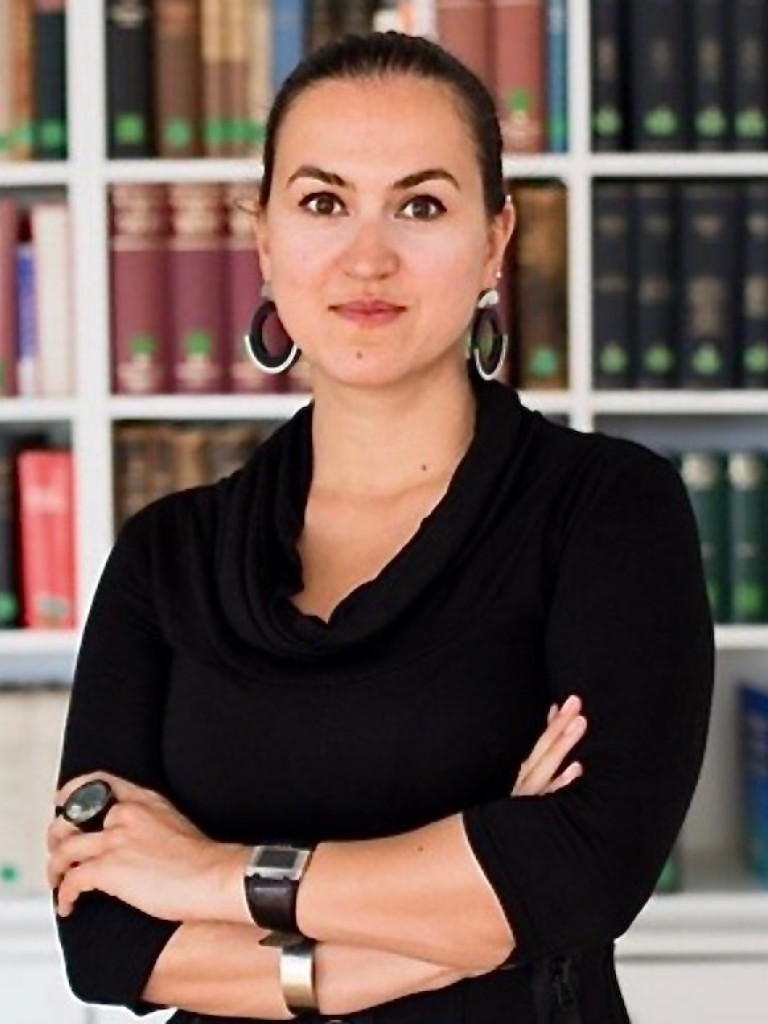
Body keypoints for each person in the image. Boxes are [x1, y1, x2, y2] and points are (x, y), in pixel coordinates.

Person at [47, 30, 714, 1024]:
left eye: (421, 204)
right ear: (264, 239)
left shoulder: (609, 509)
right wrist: (450, 935)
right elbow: (101, 935)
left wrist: (205, 874)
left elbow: (585, 869)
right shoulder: (166, 555)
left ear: (494, 241)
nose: (368, 255)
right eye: (322, 202)